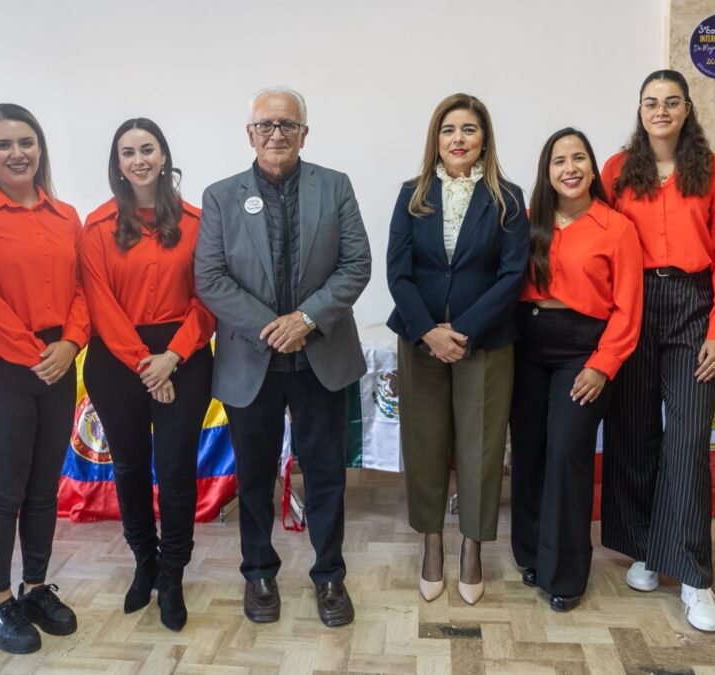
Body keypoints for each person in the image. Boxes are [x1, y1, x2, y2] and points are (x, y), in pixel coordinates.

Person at [194, 86, 371, 628]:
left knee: (325, 478)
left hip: (321, 358)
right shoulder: (221, 196)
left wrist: (307, 320)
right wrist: (274, 329)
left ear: (304, 133)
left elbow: (356, 263)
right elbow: (210, 278)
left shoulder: (334, 186)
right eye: (266, 125)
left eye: (287, 125)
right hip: (253, 363)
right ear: (249, 133)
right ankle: (259, 573)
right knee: (252, 479)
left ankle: (330, 576)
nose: (276, 134)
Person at [599, 69, 715, 632]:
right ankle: (645, 550)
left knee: (686, 441)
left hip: (694, 305)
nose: (660, 110)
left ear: (687, 109)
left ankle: (694, 577)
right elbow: (600, 240)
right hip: (633, 302)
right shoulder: (615, 170)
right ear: (639, 109)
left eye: (671, 102)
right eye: (651, 102)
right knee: (634, 431)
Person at [0, 103, 89, 654]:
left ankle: (34, 588)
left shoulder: (65, 214)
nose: (17, 153)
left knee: (43, 490)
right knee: (4, 492)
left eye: (26, 142)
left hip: (57, 360)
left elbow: (83, 290)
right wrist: (35, 353)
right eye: (4, 144)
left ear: (40, 148)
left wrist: (70, 344)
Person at [385, 93, 528, 605]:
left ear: (484, 139)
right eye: (449, 130)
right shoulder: (411, 194)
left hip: (484, 342)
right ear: (436, 139)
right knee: (424, 444)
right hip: (420, 339)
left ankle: (471, 547)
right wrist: (430, 332)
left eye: (468, 130)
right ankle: (431, 544)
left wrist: (462, 331)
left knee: (481, 446)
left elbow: (513, 275)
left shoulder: (508, 197)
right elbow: (397, 273)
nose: (458, 139)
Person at [80, 118, 215, 631]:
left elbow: (209, 298)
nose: (138, 159)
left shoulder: (200, 223)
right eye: (127, 152)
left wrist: (172, 357)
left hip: (185, 358)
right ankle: (145, 562)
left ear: (164, 157)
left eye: (147, 149)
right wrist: (146, 364)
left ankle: (174, 574)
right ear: (117, 163)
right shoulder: (95, 228)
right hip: (118, 363)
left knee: (177, 471)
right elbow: (100, 304)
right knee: (131, 469)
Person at [510, 128, 642, 611]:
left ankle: (564, 574)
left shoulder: (617, 228)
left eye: (579, 158)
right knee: (529, 452)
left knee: (567, 455)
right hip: (526, 345)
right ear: (546, 172)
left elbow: (629, 309)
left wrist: (602, 366)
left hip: (582, 353)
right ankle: (530, 553)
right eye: (559, 160)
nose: (570, 168)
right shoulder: (527, 223)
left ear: (592, 167)